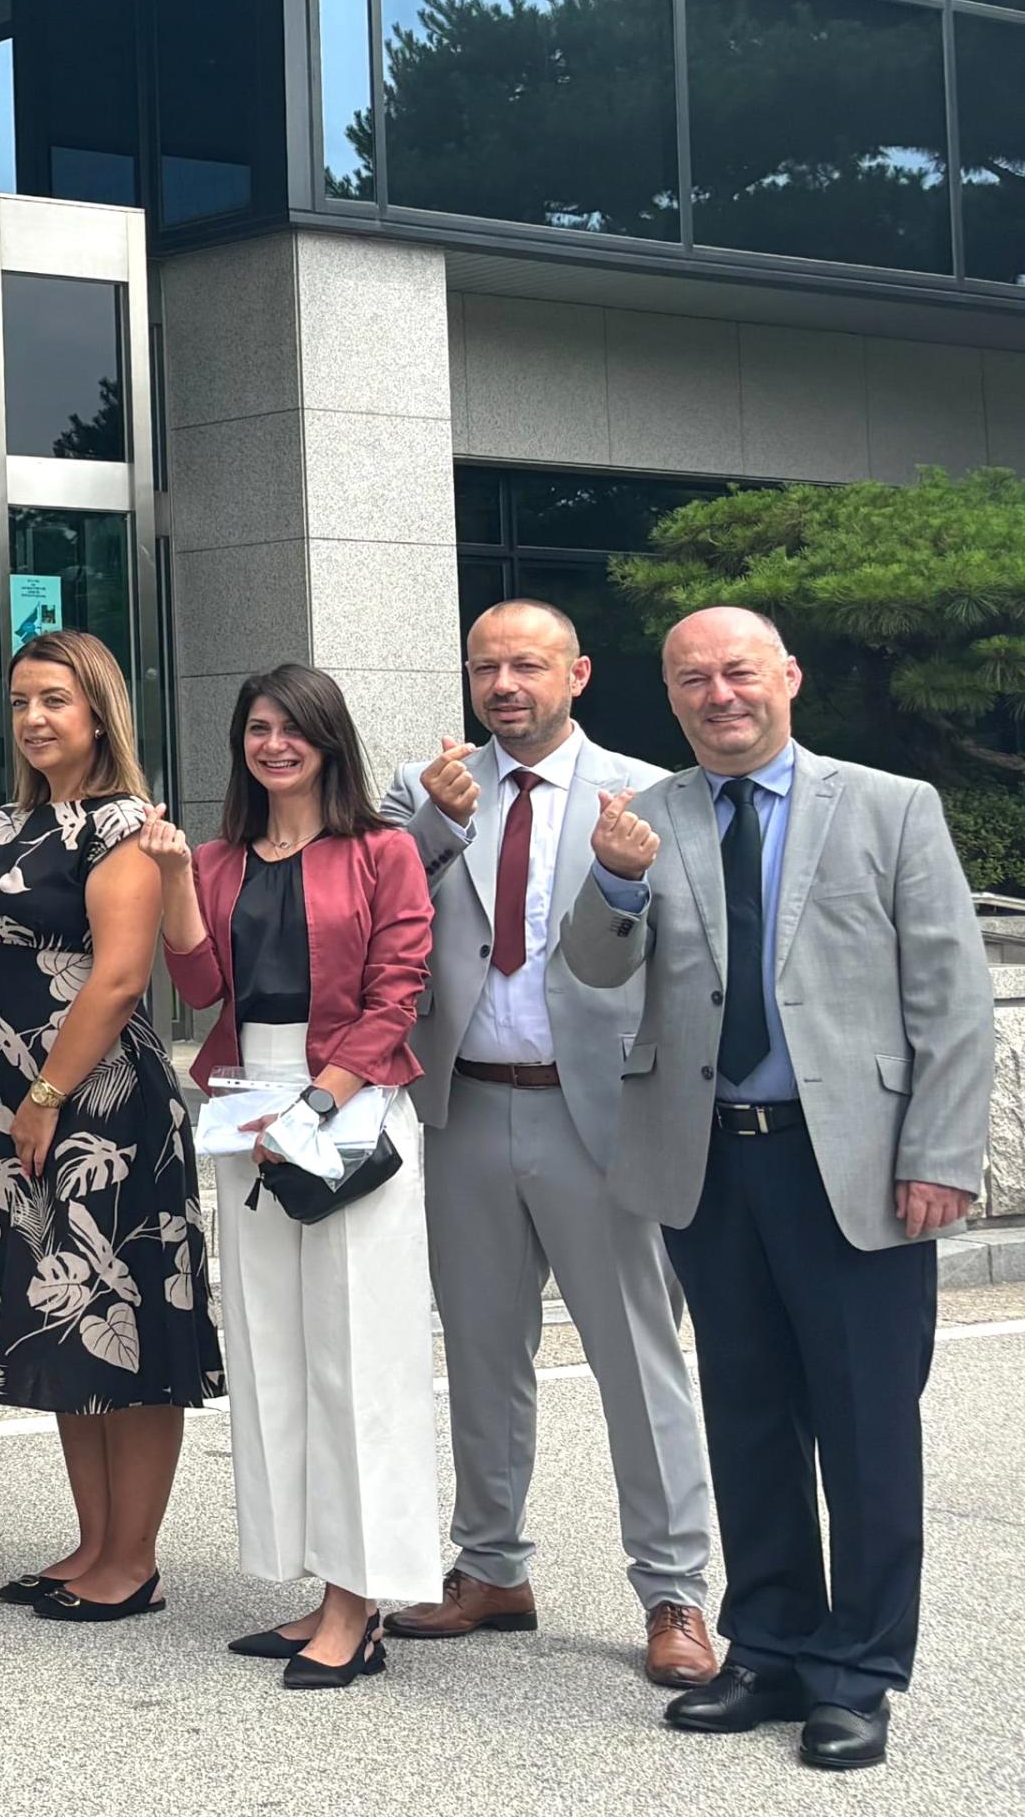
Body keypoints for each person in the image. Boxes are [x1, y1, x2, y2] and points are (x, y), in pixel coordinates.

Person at [565, 606, 988, 1772]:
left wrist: (940, 1155)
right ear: (671, 696)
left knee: (863, 1427)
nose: (718, 695)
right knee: (746, 1417)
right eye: (693, 679)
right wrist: (616, 884)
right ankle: (769, 1648)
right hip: (710, 1161)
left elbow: (948, 999)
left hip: (852, 1164)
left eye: (738, 672)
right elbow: (591, 973)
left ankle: (860, 1672)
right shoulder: (642, 819)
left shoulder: (892, 807)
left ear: (787, 677)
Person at [376, 603, 716, 1687]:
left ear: (576, 671)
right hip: (467, 1108)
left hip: (598, 1116)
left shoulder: (651, 795)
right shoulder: (423, 790)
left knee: (637, 1357)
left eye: (527, 664)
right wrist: (432, 828)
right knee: (479, 1353)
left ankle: (673, 1590)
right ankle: (491, 1568)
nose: (505, 683)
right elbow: (368, 908)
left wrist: (621, 879)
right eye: (486, 666)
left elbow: (667, 957)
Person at [150, 663, 438, 1689]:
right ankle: (320, 1582)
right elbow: (196, 988)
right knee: (275, 1351)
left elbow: (396, 993)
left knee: (357, 1354)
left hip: (345, 1103)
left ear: (329, 740)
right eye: (257, 729)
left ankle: (362, 1603)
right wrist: (178, 880)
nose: (273, 744)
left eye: (292, 728)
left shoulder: (383, 851)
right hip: (242, 1103)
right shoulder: (222, 857)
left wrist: (313, 1109)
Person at [0, 630, 216, 1622]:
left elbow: (123, 975)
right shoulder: (9, 820)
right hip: (17, 1094)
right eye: (20, 702)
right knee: (61, 1318)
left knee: (123, 1323)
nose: (34, 719)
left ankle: (131, 1560)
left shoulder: (124, 825)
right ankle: (93, 1543)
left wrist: (49, 1095)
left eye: (54, 699)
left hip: (100, 1106)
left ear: (98, 710)